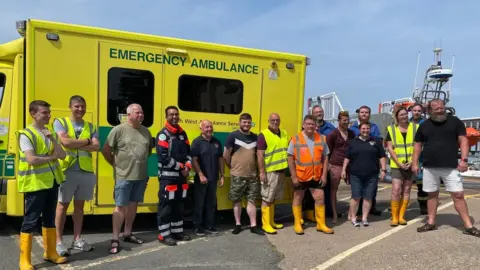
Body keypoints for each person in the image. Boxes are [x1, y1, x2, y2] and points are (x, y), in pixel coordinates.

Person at [412, 99, 480, 236]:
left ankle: (468, 225)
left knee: (458, 194)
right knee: (431, 194)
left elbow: (463, 140)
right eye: (436, 108)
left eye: (442, 107)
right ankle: (431, 222)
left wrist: (464, 160)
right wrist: (414, 163)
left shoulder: (455, 122)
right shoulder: (424, 126)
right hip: (429, 166)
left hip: (450, 166)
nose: (440, 110)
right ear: (430, 111)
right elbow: (418, 145)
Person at [17, 100, 68, 270]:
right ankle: (24, 260)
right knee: (30, 220)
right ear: (33, 114)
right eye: (44, 113)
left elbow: (62, 155)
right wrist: (51, 157)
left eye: (48, 112)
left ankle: (51, 253)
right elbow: (32, 159)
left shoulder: (49, 132)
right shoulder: (26, 134)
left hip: (51, 182)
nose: (48, 115)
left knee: (49, 219)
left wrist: (53, 139)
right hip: (35, 183)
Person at [101, 103, 153, 254]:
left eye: (142, 112)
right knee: (120, 207)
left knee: (133, 206)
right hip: (124, 176)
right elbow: (105, 150)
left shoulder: (146, 132)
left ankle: (128, 233)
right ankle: (115, 238)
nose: (141, 115)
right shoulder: (118, 130)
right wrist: (115, 164)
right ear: (129, 114)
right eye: (137, 112)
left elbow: (147, 152)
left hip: (141, 176)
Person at [54, 95, 99, 256]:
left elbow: (96, 147)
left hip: (85, 171)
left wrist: (75, 144)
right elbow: (65, 143)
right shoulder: (60, 122)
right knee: (62, 206)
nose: (80, 109)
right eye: (77, 106)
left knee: (79, 208)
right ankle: (58, 242)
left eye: (83, 106)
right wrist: (87, 141)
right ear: (70, 107)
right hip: (67, 170)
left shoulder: (91, 125)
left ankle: (77, 239)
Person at [288, 115, 333, 235]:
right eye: (308, 124)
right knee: (298, 198)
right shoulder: (295, 139)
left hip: (316, 175)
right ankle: (297, 223)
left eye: (312, 124)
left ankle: (321, 224)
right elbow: (290, 159)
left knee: (320, 198)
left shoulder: (322, 138)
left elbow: (326, 157)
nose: (310, 126)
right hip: (300, 175)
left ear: (316, 126)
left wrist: (324, 175)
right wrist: (293, 176)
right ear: (303, 124)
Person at [156, 106, 193, 245]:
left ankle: (177, 232)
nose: (175, 117)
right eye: (171, 114)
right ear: (166, 117)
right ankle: (164, 235)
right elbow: (163, 157)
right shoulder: (163, 135)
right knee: (166, 207)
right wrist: (182, 167)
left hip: (181, 178)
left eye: (176, 114)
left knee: (179, 206)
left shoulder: (183, 134)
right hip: (168, 178)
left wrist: (188, 166)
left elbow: (189, 153)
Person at [223, 113, 264, 235]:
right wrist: (232, 167)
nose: (246, 124)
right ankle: (238, 224)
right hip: (237, 175)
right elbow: (226, 155)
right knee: (237, 200)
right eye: (244, 122)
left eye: (248, 122)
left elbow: (259, 155)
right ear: (239, 122)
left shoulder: (255, 137)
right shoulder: (233, 136)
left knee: (252, 200)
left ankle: (253, 225)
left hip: (252, 175)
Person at [342, 122, 387, 226]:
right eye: (363, 129)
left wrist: (383, 170)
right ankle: (353, 218)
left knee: (368, 197)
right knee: (356, 196)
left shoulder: (376, 141)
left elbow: (382, 156)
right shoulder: (352, 142)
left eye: (367, 128)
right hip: (355, 175)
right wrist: (344, 169)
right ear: (359, 129)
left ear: (370, 129)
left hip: (372, 175)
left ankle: (364, 218)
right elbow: (347, 157)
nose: (365, 130)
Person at [191, 119, 224, 236]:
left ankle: (209, 225)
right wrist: (200, 174)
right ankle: (197, 226)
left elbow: (220, 159)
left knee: (211, 203)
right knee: (199, 203)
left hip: (213, 178)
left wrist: (222, 175)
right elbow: (194, 160)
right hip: (202, 179)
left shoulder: (217, 142)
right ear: (201, 129)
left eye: (210, 126)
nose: (209, 129)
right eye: (206, 127)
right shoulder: (196, 142)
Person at [303, 105, 336, 223]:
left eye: (320, 111)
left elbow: (334, 146)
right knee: (307, 191)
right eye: (316, 112)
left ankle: (326, 213)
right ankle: (310, 213)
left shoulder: (330, 128)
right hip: (308, 167)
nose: (319, 113)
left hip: (325, 163)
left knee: (324, 189)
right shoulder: (307, 129)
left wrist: (331, 162)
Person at [257, 113, 289, 234]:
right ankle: (265, 224)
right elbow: (259, 155)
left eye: (277, 120)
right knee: (267, 198)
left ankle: (271, 221)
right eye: (273, 120)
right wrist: (262, 172)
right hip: (270, 171)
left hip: (281, 171)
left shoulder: (284, 133)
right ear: (268, 121)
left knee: (273, 198)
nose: (275, 122)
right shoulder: (263, 134)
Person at [386, 107, 418, 226]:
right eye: (401, 115)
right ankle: (394, 216)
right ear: (397, 117)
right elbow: (390, 148)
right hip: (396, 165)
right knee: (396, 190)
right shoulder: (391, 129)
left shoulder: (415, 128)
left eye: (405, 114)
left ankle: (401, 216)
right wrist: (399, 163)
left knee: (407, 190)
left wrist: (412, 161)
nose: (404, 116)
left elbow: (418, 146)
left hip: (411, 163)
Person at [349, 105, 382, 216]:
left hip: (371, 161)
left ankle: (371, 208)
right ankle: (356, 210)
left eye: (366, 112)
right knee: (357, 189)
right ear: (359, 113)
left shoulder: (374, 127)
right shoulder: (352, 128)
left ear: (369, 114)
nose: (364, 114)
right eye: (362, 112)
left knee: (371, 188)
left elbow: (378, 142)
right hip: (356, 162)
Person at [326, 111, 355, 224]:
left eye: (347, 120)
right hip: (336, 165)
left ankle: (350, 213)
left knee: (355, 189)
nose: (346, 122)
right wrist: (328, 166)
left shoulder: (352, 134)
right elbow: (327, 152)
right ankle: (334, 214)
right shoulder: (333, 134)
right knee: (334, 190)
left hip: (349, 165)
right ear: (339, 120)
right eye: (344, 120)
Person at [410, 103, 428, 214]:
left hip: (421, 158)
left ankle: (423, 206)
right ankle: (398, 206)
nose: (416, 112)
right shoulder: (406, 123)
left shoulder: (425, 124)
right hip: (406, 157)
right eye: (414, 110)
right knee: (403, 184)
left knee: (421, 184)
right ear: (411, 111)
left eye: (418, 110)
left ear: (422, 112)